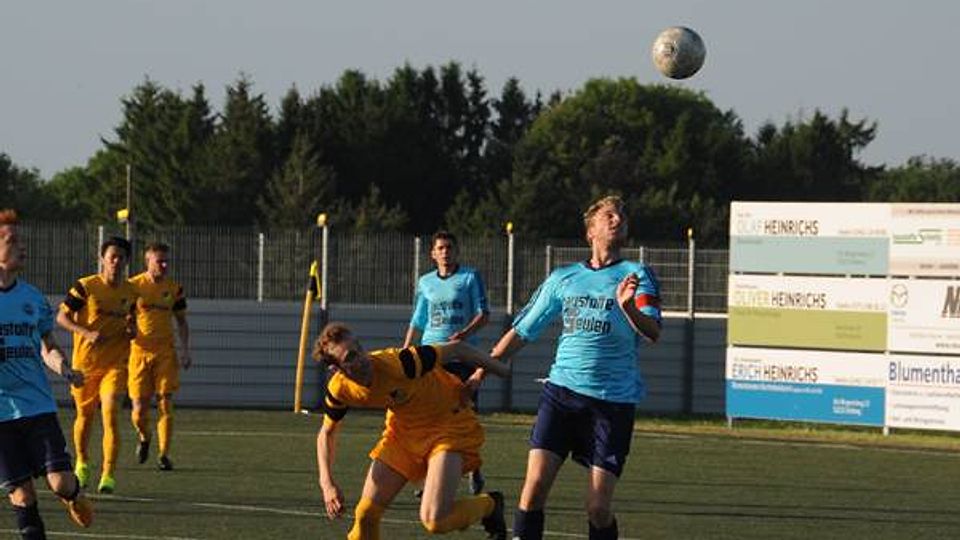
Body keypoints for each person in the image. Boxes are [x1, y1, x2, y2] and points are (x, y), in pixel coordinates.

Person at [489, 195, 662, 540]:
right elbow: (523, 330)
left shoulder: (637, 275)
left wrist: (628, 307)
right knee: (533, 490)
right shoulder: (564, 277)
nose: (618, 220)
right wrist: (483, 369)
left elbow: (653, 331)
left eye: (622, 216)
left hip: (612, 403)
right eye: (609, 215)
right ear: (590, 231)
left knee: (598, 509)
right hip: (562, 394)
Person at [315, 322, 509, 540]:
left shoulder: (400, 362)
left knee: (435, 520)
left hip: (448, 425)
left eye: (359, 348)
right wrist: (327, 483)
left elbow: (457, 349)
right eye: (350, 357)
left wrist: (499, 369)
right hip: (404, 432)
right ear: (336, 369)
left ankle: (491, 505)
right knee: (366, 514)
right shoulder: (340, 389)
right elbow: (326, 433)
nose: (361, 358)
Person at [0, 209, 94, 539]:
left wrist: (65, 369)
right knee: (23, 496)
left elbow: (47, 346)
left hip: (37, 406)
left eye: (21, 240)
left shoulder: (32, 298)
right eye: (12, 241)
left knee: (61, 483)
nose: (22, 247)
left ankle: (75, 496)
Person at [403, 230, 490, 494]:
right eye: (440, 248)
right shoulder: (426, 282)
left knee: (464, 411)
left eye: (449, 247)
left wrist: (464, 334)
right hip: (432, 355)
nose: (445, 252)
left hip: (462, 354)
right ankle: (429, 473)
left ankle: (474, 467)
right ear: (432, 253)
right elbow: (418, 320)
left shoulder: (470, 277)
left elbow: (483, 314)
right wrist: (405, 350)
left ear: (456, 251)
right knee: (429, 413)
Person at [56, 236, 138, 494]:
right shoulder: (85, 286)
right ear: (102, 258)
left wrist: (132, 330)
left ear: (127, 261)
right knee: (85, 416)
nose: (116, 261)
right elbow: (61, 318)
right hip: (85, 365)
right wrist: (86, 332)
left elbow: (132, 322)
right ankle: (82, 462)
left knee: (111, 413)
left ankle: (108, 474)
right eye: (112, 256)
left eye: (121, 257)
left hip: (116, 364)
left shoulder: (131, 292)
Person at [128, 242, 191, 471]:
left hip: (165, 353)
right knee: (138, 410)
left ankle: (164, 454)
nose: (164, 266)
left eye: (166, 262)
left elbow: (182, 322)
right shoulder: (133, 286)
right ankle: (145, 436)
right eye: (159, 261)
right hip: (139, 353)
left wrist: (185, 350)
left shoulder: (174, 289)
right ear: (148, 261)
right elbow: (124, 316)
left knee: (165, 401)